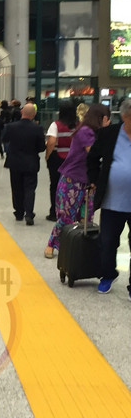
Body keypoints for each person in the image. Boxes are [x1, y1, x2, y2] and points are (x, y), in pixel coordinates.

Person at [44, 103, 111, 259]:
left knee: (86, 218)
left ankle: (80, 248)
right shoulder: (86, 131)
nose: (109, 122)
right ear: (102, 118)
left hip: (89, 181)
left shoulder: (95, 133)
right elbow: (94, 153)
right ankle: (51, 244)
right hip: (72, 180)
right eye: (108, 119)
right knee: (66, 216)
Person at [87, 98, 131, 297]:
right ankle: (108, 275)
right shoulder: (109, 134)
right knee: (107, 242)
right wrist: (93, 180)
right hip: (112, 201)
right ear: (125, 117)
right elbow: (92, 158)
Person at [3, 104, 46, 226]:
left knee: (16, 187)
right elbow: (41, 147)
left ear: (22, 112)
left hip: (14, 162)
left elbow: (4, 139)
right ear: (34, 114)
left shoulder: (11, 126)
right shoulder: (38, 128)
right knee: (30, 188)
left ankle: (18, 212)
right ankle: (29, 213)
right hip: (31, 162)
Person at [44, 101, 76, 222]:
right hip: (73, 159)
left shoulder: (56, 125)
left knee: (55, 185)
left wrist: (47, 156)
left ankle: (54, 212)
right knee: (72, 186)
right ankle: (71, 211)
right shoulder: (78, 125)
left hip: (57, 159)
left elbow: (51, 142)